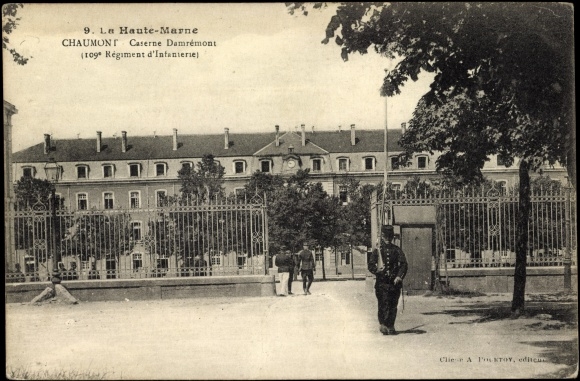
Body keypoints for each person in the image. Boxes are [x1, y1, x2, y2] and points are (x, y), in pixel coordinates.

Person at [368, 225, 408, 335]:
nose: (388, 239)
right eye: (386, 237)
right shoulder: (378, 251)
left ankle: (391, 325)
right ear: (383, 237)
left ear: (392, 237)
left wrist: (399, 276)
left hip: (394, 283)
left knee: (393, 305)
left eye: (390, 237)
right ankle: (383, 324)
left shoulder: (397, 250)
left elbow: (404, 265)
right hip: (382, 283)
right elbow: (370, 265)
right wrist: (377, 270)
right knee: (383, 304)